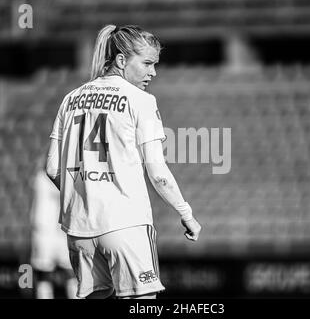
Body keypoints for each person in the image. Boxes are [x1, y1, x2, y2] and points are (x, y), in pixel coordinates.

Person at [45, 24, 201, 299]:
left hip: (79, 230)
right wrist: (186, 214)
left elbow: (53, 168)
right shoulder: (140, 100)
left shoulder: (70, 100)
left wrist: (89, 193)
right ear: (120, 60)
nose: (153, 72)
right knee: (142, 303)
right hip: (125, 226)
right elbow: (158, 173)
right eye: (148, 63)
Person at [30, 159, 77, 299]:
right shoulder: (42, 178)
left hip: (59, 232)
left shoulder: (64, 179)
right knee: (45, 274)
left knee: (70, 273)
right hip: (46, 232)